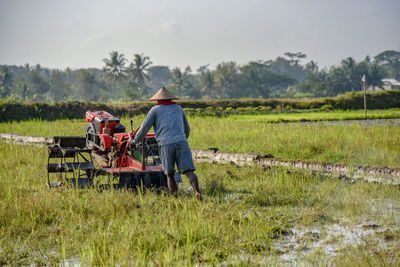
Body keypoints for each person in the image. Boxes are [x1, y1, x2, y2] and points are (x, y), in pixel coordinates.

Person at [131, 87, 202, 200]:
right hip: (182, 142)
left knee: (170, 174)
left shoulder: (154, 110)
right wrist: (183, 140)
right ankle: (197, 192)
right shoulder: (178, 108)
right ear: (170, 98)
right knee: (189, 171)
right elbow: (187, 129)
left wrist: (134, 141)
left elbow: (144, 130)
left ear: (157, 100)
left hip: (165, 144)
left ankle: (175, 199)